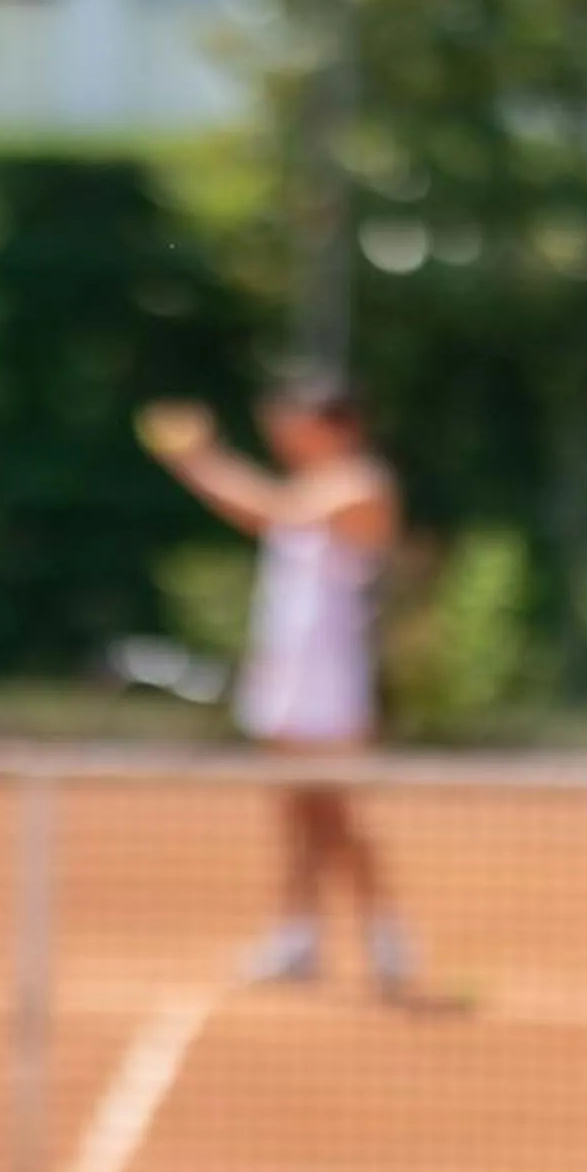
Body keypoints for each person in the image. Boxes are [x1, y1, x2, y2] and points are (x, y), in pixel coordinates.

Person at [137, 373, 417, 993]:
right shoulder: (312, 487)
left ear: (340, 425)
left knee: (336, 816)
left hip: (332, 686)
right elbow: (271, 513)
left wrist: (199, 458)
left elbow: (273, 512)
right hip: (287, 681)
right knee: (294, 815)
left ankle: (387, 938)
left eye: (300, 422)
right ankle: (297, 939)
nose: (286, 433)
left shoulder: (361, 484)